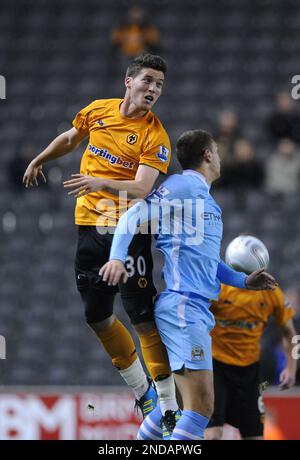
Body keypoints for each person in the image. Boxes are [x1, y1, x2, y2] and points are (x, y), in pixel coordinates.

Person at [22, 53, 177, 418]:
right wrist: (40, 159)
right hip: (90, 227)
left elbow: (141, 188)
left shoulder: (156, 136)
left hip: (130, 230)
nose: (153, 89)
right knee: (96, 315)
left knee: (141, 315)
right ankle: (143, 392)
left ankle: (169, 406)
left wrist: (99, 181)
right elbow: (72, 138)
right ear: (129, 81)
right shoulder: (98, 111)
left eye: (159, 84)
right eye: (148, 80)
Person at [99, 129, 277, 440]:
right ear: (208, 154)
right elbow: (134, 215)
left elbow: (210, 264)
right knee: (201, 408)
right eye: (218, 152)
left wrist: (243, 281)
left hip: (193, 310)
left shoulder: (204, 198)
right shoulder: (182, 186)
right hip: (183, 307)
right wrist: (116, 257)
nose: (220, 158)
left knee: (178, 406)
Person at [205, 237, 297, 440]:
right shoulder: (216, 289)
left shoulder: (271, 292)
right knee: (212, 435)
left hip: (249, 372)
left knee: (255, 436)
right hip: (215, 367)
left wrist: (291, 368)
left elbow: (291, 334)